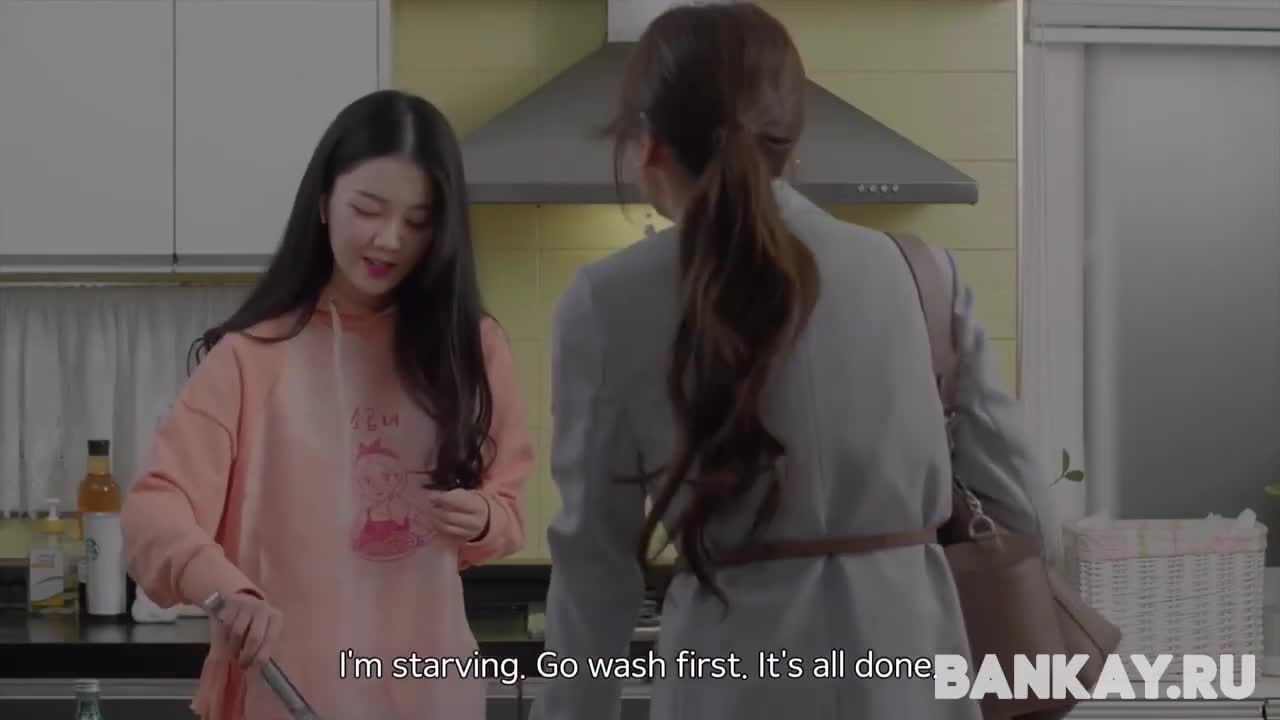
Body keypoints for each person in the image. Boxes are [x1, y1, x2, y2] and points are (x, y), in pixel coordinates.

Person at [530, 4, 1058, 720]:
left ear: (647, 146)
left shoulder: (604, 302)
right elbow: (1024, 510)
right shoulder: (922, 275)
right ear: (791, 141)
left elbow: (595, 572)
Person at [121, 89, 534, 720]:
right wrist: (224, 590)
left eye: (418, 222)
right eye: (368, 209)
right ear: (322, 200)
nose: (390, 239)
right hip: (286, 692)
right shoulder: (250, 357)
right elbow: (154, 511)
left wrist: (482, 517)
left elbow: (507, 511)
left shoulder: (469, 350)